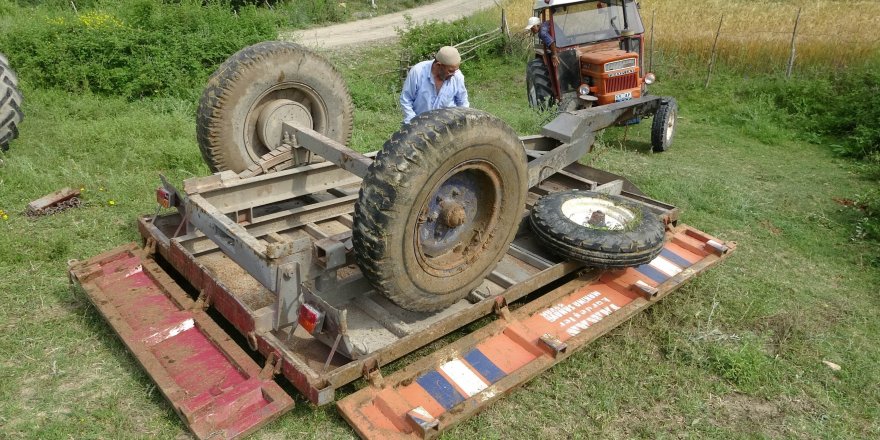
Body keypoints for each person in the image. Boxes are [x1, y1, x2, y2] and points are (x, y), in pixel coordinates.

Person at [399, 46, 469, 125]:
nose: (453, 74)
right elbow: (406, 99)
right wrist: (413, 123)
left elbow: (463, 102)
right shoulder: (418, 72)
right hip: (419, 124)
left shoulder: (457, 76)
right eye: (450, 71)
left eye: (455, 70)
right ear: (438, 65)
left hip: (447, 126)